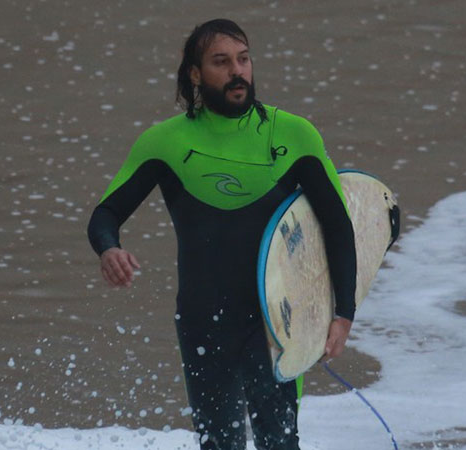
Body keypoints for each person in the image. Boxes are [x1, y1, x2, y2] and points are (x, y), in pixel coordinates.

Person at [87, 18, 356, 450]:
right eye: (221, 62)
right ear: (196, 74)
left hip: (277, 321)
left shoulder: (294, 135)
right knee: (218, 445)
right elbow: (106, 213)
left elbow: (339, 226)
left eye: (244, 60)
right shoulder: (166, 142)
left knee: (279, 443)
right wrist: (109, 248)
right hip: (202, 320)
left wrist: (344, 313)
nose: (237, 71)